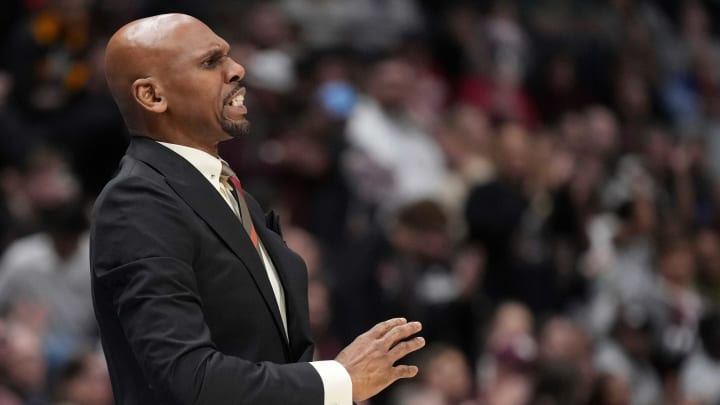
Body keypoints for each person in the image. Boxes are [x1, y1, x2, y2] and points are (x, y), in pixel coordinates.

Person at [91, 13, 425, 405]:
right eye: (211, 62)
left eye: (229, 56)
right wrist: (338, 379)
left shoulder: (225, 190)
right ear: (152, 96)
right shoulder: (138, 201)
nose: (237, 70)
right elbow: (186, 377)